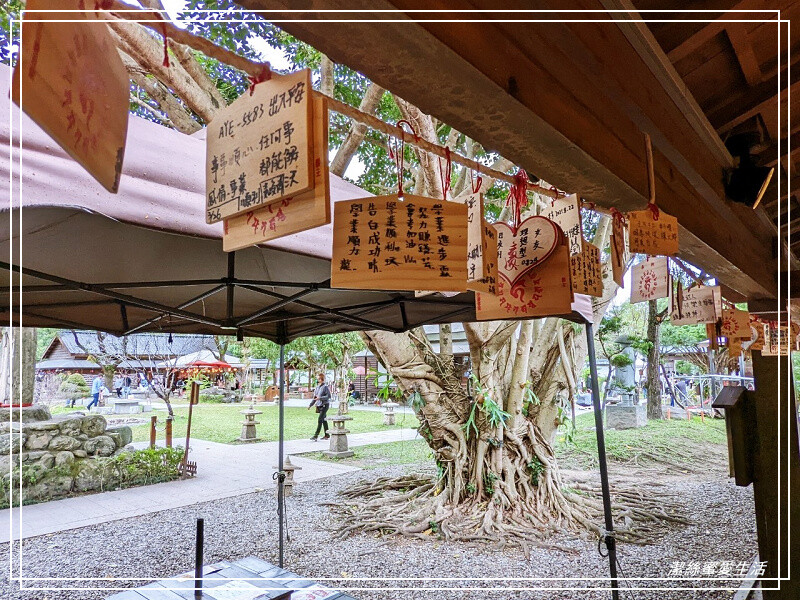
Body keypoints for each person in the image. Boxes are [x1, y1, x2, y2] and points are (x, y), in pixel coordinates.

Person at [307, 373, 331, 441]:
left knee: (320, 419)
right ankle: (327, 434)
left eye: (319, 378)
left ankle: (315, 435)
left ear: (321, 379)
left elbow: (328, 396)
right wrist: (310, 405)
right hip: (319, 405)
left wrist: (320, 398)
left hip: (325, 405)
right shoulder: (317, 387)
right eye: (318, 378)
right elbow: (315, 397)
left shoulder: (325, 387)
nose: (318, 380)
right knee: (324, 420)